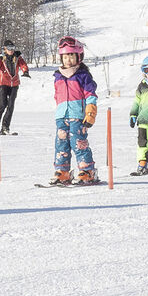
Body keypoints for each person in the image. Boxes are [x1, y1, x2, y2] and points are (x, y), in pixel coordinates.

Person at [49, 36, 99, 185]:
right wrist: (59, 111)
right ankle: (62, 171)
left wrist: (90, 112)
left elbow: (91, 95)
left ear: (79, 56)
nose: (68, 60)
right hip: (62, 116)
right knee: (61, 144)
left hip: (78, 116)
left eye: (71, 56)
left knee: (79, 143)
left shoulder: (83, 75)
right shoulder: (58, 76)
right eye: (65, 57)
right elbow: (57, 96)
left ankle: (87, 171)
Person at [0, 41, 30, 135]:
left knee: (10, 106)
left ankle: (5, 127)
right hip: (3, 84)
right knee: (3, 105)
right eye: (9, 48)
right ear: (5, 49)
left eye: (12, 48)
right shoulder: (1, 58)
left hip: (14, 84)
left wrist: (25, 71)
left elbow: (23, 65)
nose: (11, 50)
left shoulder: (17, 57)